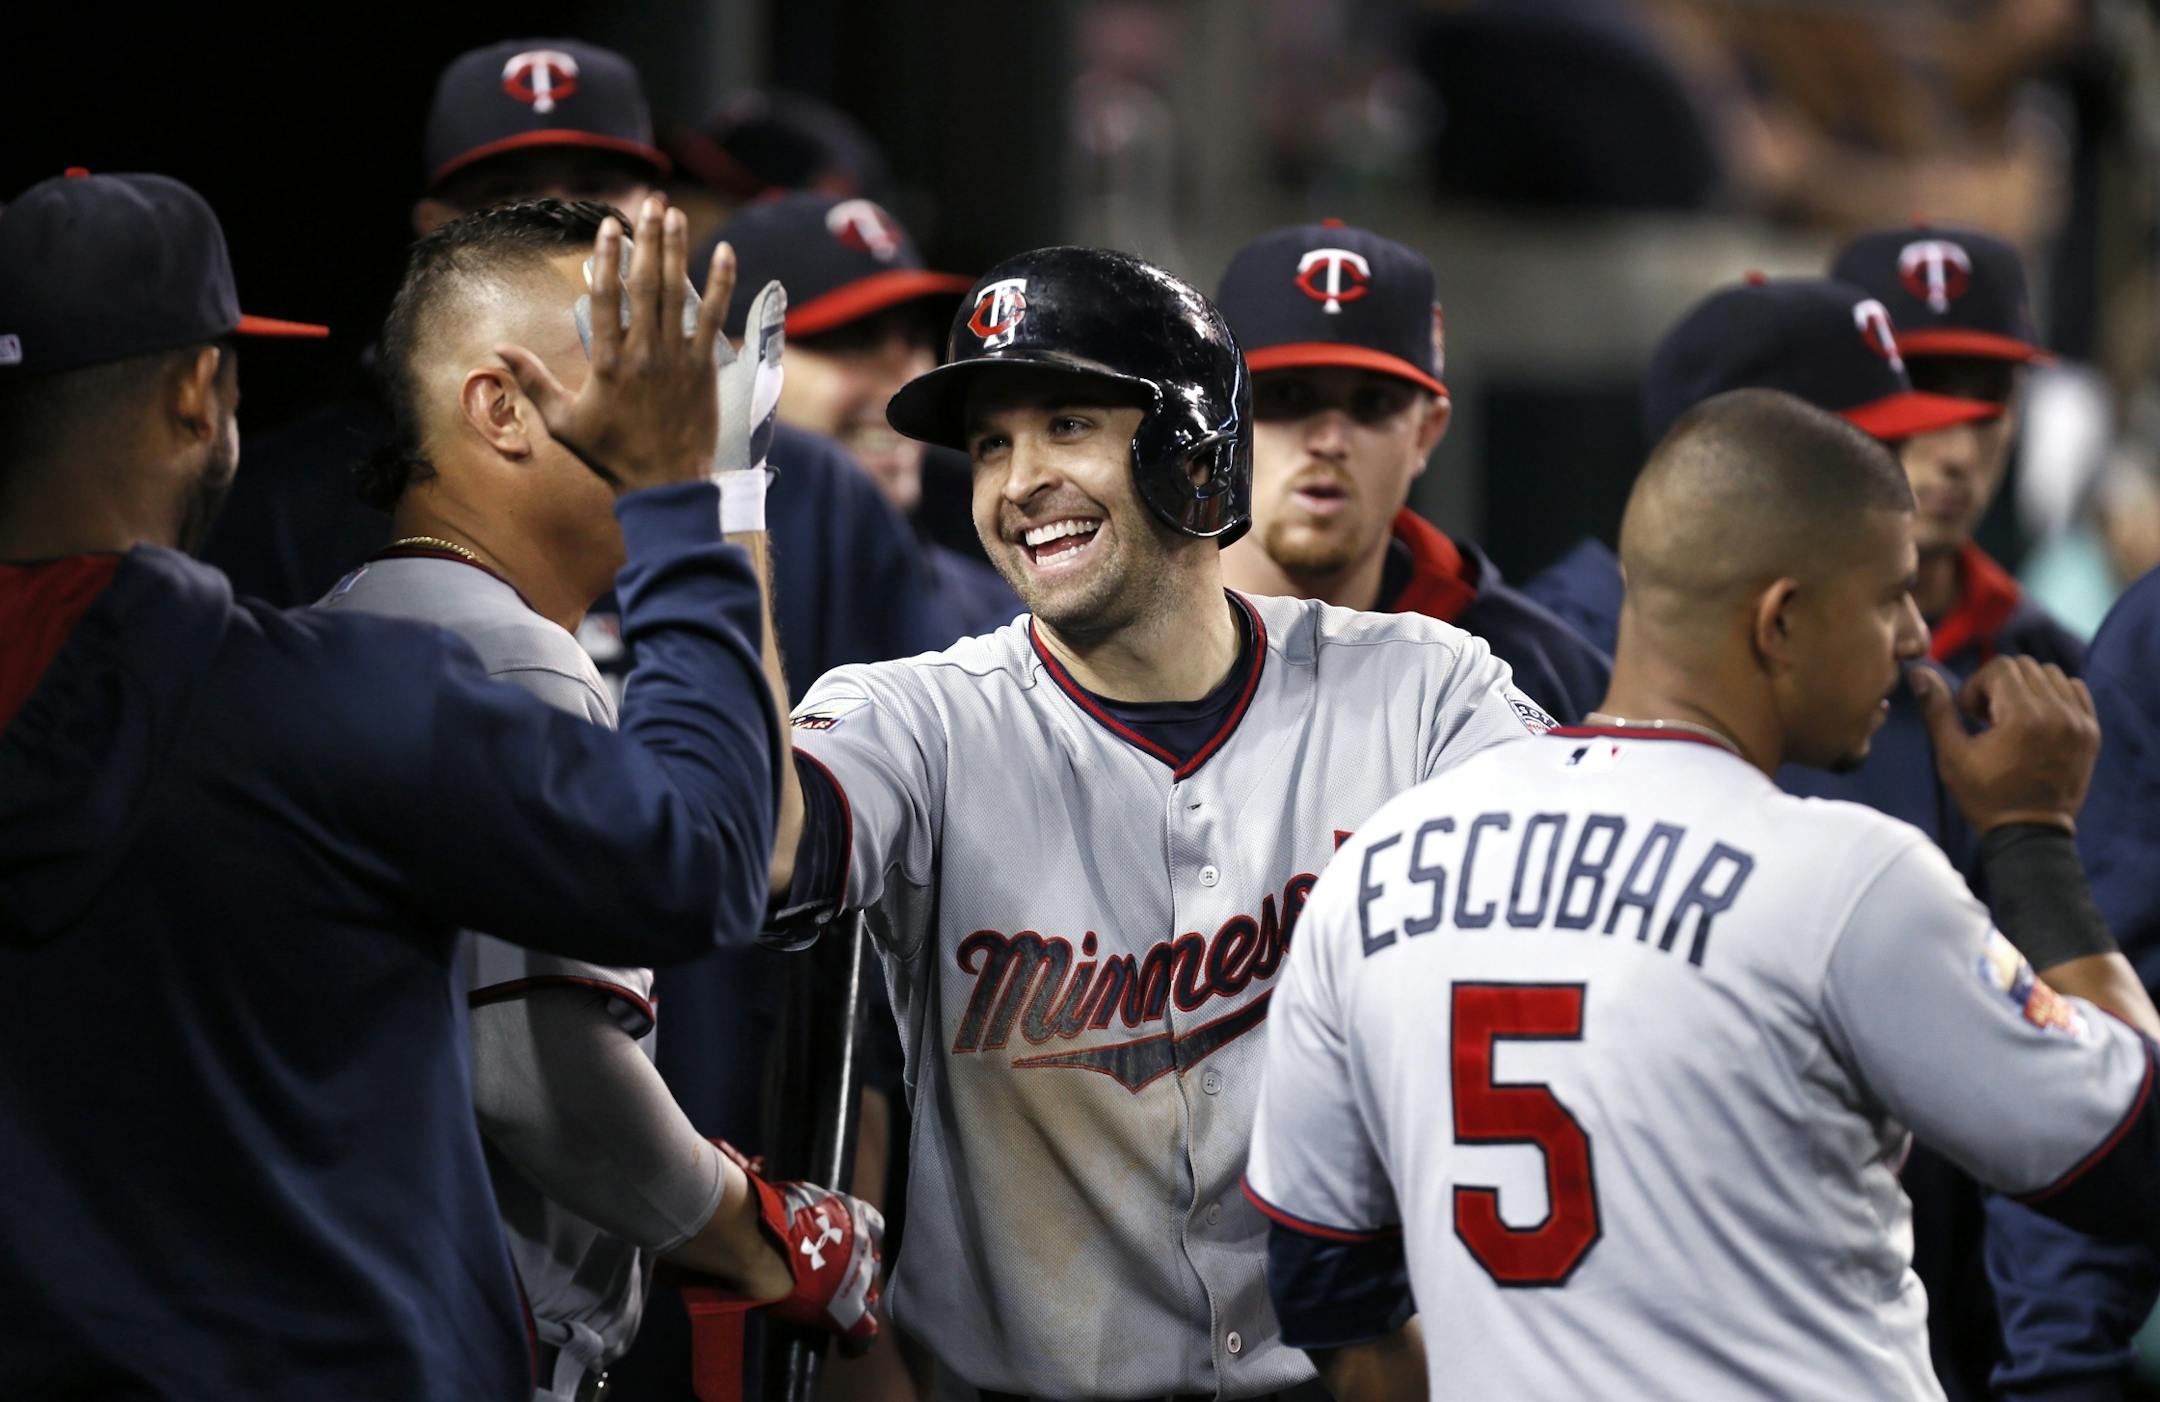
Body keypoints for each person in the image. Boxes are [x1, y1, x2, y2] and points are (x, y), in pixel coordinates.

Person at [0, 172, 805, 1399]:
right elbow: (703, 863)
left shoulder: (338, 647)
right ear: (197, 390)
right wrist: (687, 503)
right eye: (635, 372)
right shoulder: (347, 693)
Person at [1248, 389, 2160, 1401]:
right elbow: (2133, 1156)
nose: (1913, 638)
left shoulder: (1378, 861)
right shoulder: (1846, 879)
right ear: (1781, 620)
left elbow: (1324, 1281)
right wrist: (2031, 835)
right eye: (1889, 596)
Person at [769, 246, 1557, 1401]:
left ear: (1196, 447)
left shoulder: (1427, 694)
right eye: (992, 443)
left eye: (1068, 426)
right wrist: (721, 510)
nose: (1017, 480)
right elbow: (769, 853)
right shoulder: (917, 716)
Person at [313, 197, 883, 1402]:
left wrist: (718, 497)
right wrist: (758, 1228)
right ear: (498, 406)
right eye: (624, 366)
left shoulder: (361, 616)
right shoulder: (506, 660)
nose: (678, 412)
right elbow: (541, 1080)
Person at [1212, 220, 1609, 721]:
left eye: (1373, 403)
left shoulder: (1533, 675)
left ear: (1426, 433)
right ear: (1216, 417)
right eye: (1287, 397)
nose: (1330, 441)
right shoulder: (1119, 636)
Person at [1521, 273, 2001, 662]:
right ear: (1726, 473)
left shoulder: (1881, 687)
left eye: (1894, 456)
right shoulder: (1532, 667)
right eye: (1860, 466)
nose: (1898, 496)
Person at [715, 190, 1019, 641]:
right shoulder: (620, 587)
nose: (910, 379)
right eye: (851, 339)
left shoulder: (1003, 629)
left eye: (918, 338)